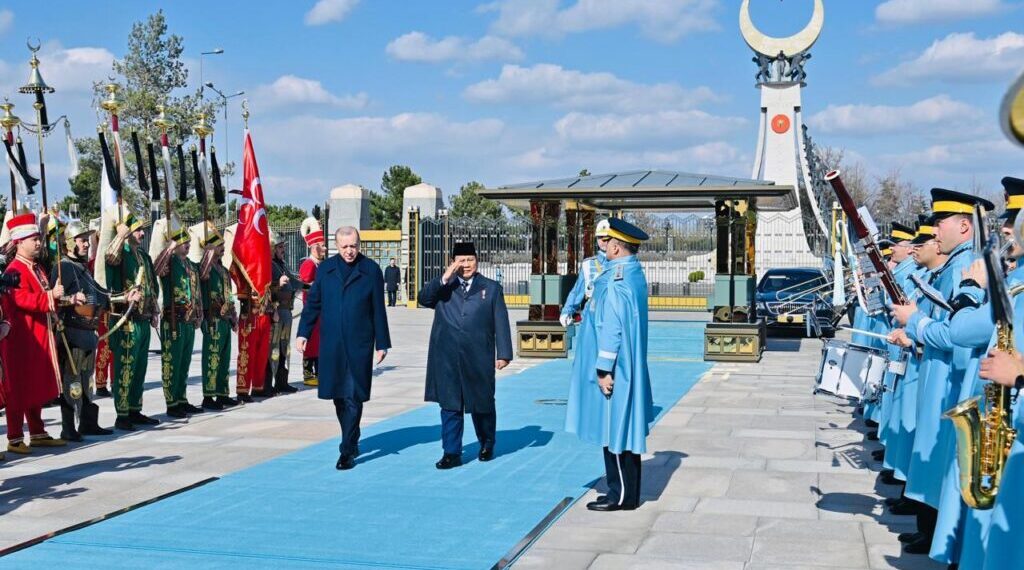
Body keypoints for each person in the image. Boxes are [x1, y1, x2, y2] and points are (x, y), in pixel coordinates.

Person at [890, 188, 994, 555]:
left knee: (948, 462)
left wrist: (915, 323)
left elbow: (955, 332)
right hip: (939, 371)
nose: (934, 231)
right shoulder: (955, 266)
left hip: (953, 377)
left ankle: (939, 536)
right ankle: (932, 531)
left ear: (964, 226)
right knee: (935, 457)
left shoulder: (967, 268)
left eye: (940, 223)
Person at [297, 227, 391, 471]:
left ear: (359, 244)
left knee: (354, 395)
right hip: (332, 344)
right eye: (345, 247)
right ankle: (352, 434)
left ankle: (346, 450)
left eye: (354, 246)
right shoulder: (326, 269)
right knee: (339, 396)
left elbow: (378, 309)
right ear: (336, 246)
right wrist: (303, 332)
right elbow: (313, 303)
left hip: (360, 343)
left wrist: (382, 342)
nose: (350, 251)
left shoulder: (371, 270)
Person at [580, 218, 653, 512]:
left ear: (616, 247)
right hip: (629, 365)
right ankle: (622, 491)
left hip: (618, 369)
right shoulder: (633, 273)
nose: (604, 247)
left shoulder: (615, 281)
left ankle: (620, 495)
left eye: (607, 242)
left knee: (615, 431)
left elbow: (612, 329)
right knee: (622, 430)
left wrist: (603, 370)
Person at [418, 242, 513, 469]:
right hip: (446, 356)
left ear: (477, 261)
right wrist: (444, 277)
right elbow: (424, 299)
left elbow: (501, 321)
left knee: (482, 402)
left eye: (470, 259)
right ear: (453, 263)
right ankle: (451, 452)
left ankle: (487, 442)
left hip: (478, 355)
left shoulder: (491, 288)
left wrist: (504, 353)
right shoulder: (444, 287)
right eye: (461, 260)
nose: (466, 264)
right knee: (450, 405)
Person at [52, 219, 128, 441]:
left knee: (87, 381)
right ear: (70, 242)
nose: (86, 244)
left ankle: (87, 422)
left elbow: (100, 294)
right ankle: (68, 427)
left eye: (87, 240)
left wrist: (125, 297)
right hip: (72, 333)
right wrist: (70, 298)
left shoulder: (83, 268)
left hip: (87, 333)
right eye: (82, 240)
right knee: (72, 381)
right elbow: (54, 298)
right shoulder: (63, 266)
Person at [0, 212, 67, 453]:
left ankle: (37, 432)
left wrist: (57, 300)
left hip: (38, 335)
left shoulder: (36, 268)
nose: (38, 243)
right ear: (19, 242)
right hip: (20, 338)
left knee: (34, 384)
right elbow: (21, 299)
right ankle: (15, 437)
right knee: (18, 388)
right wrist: (50, 296)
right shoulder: (14, 270)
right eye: (33, 239)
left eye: (38, 238)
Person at [103, 211, 161, 431]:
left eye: (142, 229)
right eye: (137, 230)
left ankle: (135, 409)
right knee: (125, 367)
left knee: (140, 367)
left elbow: (152, 285)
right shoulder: (121, 252)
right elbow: (109, 257)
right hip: (125, 319)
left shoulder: (144, 256)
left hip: (143, 319)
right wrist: (120, 235)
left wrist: (154, 309)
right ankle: (122, 413)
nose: (142, 233)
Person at [152, 215, 203, 419]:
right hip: (173, 320)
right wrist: (170, 248)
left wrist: (199, 313)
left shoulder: (191, 265)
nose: (187, 245)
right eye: (183, 242)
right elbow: (156, 269)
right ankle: (171, 402)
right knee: (171, 362)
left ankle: (181, 399)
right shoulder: (169, 261)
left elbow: (196, 291)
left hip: (189, 321)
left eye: (188, 242)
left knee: (184, 363)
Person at [189, 222, 239, 411]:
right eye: (219, 245)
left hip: (224, 319)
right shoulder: (205, 267)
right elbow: (202, 274)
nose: (223, 248)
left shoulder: (223, 271)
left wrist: (233, 317)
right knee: (212, 358)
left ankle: (222, 393)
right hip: (212, 319)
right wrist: (208, 252)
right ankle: (209, 395)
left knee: (224, 359)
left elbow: (229, 295)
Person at [265, 230, 302, 395]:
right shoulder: (269, 265)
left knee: (284, 348)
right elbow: (265, 289)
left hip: (287, 311)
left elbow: (295, 282)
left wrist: (313, 286)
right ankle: (269, 383)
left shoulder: (282, 265)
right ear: (272, 248)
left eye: (283, 247)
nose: (283, 250)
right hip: (277, 311)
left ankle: (282, 381)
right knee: (273, 348)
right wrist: (277, 285)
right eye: (280, 247)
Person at [560, 218, 610, 327]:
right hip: (591, 315)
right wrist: (566, 311)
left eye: (607, 238)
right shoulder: (588, 264)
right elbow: (577, 291)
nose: (604, 241)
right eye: (600, 237)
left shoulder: (620, 263)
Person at [298, 216, 326, 387]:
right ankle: (308, 374)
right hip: (312, 310)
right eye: (322, 245)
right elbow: (306, 286)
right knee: (311, 343)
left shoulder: (320, 264)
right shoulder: (308, 264)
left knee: (320, 342)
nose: (325, 248)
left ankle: (320, 372)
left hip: (321, 311)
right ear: (314, 246)